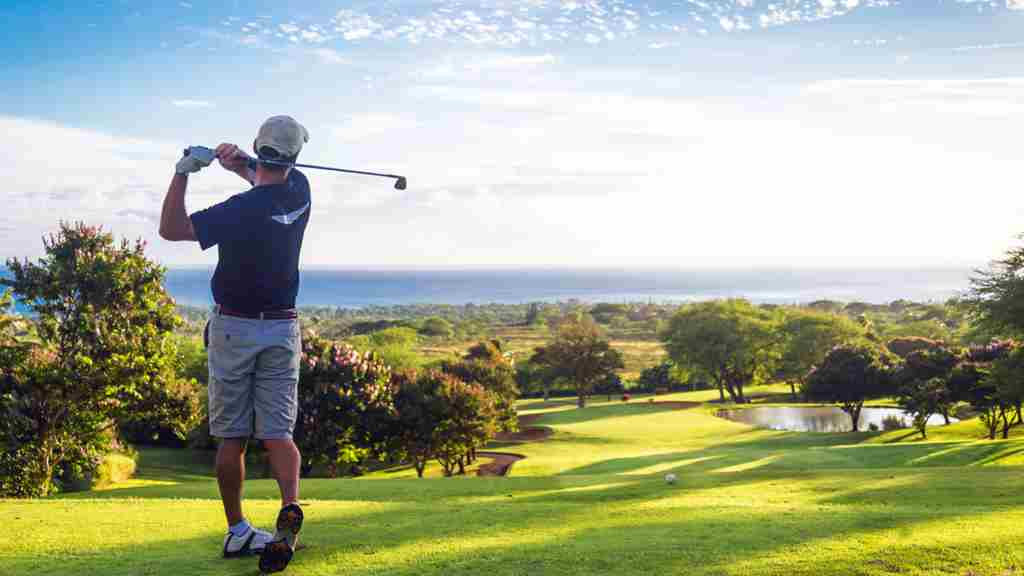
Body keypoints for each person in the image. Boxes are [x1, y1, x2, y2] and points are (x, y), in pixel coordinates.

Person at [158, 116, 311, 574]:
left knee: (233, 436)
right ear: (295, 156)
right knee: (278, 433)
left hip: (235, 329)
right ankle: (289, 507)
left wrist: (184, 170)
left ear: (258, 147)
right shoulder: (300, 190)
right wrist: (239, 163)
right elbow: (265, 176)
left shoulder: (239, 210)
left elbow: (172, 229)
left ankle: (238, 531)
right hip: (282, 328)